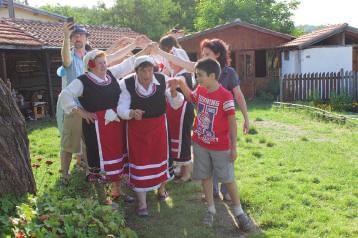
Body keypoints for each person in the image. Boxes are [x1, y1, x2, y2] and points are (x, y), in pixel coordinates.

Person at [152, 39, 249, 200]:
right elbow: (182, 63)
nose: (203, 57)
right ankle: (214, 191)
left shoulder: (229, 73)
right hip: (206, 125)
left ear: (218, 55)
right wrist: (159, 52)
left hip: (223, 125)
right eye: (202, 54)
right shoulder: (201, 70)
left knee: (224, 159)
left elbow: (238, 95)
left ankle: (226, 190)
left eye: (207, 54)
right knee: (208, 158)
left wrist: (246, 118)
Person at [58, 48, 149, 205]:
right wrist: (81, 112)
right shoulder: (83, 81)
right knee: (98, 160)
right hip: (96, 127)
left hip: (115, 124)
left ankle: (116, 191)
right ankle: (102, 198)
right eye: (100, 63)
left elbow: (127, 64)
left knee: (117, 155)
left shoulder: (110, 75)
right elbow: (64, 95)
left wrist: (145, 50)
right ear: (91, 64)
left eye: (105, 62)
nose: (104, 65)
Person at [175, 57, 255, 231]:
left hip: (220, 147)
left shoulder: (225, 96)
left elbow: (232, 123)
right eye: (196, 75)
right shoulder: (200, 90)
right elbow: (191, 98)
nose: (198, 78)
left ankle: (239, 211)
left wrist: (233, 147)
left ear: (212, 76)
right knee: (205, 176)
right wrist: (181, 83)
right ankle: (210, 210)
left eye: (200, 75)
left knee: (228, 179)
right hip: (200, 144)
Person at [117, 55, 184, 216]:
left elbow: (176, 104)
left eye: (150, 70)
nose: (147, 75)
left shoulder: (162, 79)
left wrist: (174, 92)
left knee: (159, 158)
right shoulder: (126, 83)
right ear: (136, 71)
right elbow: (121, 108)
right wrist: (131, 113)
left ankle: (161, 190)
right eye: (143, 71)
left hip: (159, 128)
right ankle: (142, 203)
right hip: (137, 130)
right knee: (140, 162)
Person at [159, 37, 195, 182]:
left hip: (184, 112)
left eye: (174, 61)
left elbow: (180, 96)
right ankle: (180, 170)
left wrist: (171, 91)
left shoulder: (184, 76)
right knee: (177, 140)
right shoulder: (176, 75)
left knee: (184, 140)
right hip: (176, 113)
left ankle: (186, 174)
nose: (171, 64)